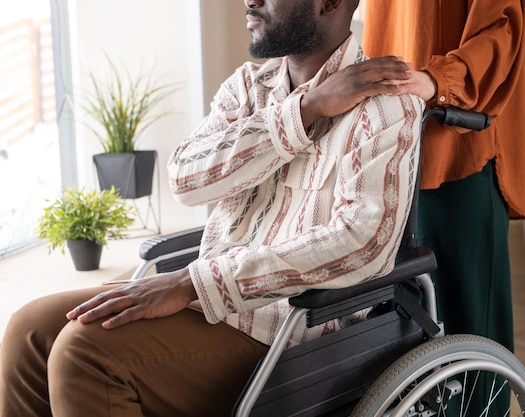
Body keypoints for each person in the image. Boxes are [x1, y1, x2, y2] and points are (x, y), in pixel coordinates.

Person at [0, 0, 425, 416]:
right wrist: (305, 111)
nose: (250, 1)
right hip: (208, 305)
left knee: (84, 353)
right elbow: (185, 179)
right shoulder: (246, 88)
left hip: (293, 329)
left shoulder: (386, 104)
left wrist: (190, 283)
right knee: (29, 329)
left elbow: (362, 242)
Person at [362, 1, 525, 414]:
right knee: (403, 333)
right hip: (390, 147)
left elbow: (500, 30)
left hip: (455, 146)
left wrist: (437, 79)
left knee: (472, 339)